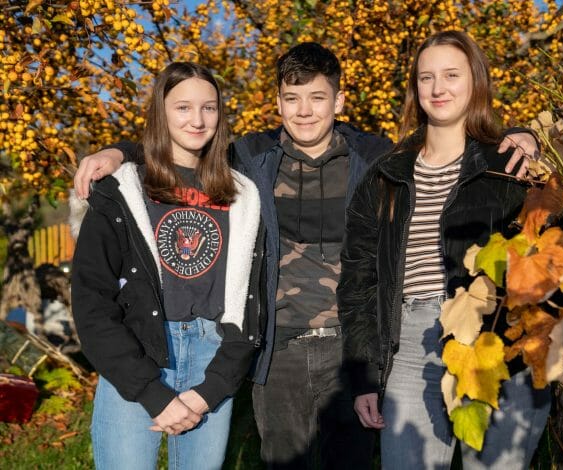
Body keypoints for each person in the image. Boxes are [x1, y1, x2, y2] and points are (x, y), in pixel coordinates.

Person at [72, 43, 539, 470]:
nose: (305, 111)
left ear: (338, 102)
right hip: (280, 351)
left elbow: (449, 140)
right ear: (278, 104)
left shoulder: (376, 158)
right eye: (292, 99)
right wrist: (119, 152)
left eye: (318, 98)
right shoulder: (250, 159)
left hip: (350, 350)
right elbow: (185, 144)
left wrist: (522, 135)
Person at [337, 31, 552, 470]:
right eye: (426, 78)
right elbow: (358, 283)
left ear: (475, 80)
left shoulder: (510, 165)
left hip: (498, 342)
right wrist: (363, 377)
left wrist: (530, 138)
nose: (438, 89)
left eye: (451, 75)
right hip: (412, 345)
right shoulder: (385, 175)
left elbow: (551, 257)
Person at [70, 61, 263, 470]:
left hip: (211, 358)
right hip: (139, 351)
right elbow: (91, 304)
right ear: (161, 112)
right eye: (182, 107)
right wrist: (152, 394)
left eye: (209, 108)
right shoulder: (121, 190)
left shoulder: (243, 192)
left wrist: (210, 390)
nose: (197, 119)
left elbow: (250, 302)